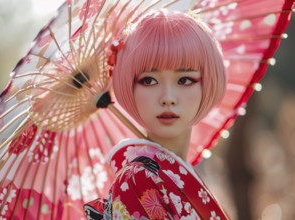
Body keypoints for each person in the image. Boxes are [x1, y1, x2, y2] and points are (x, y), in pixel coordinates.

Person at [84, 9, 229, 219]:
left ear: (207, 83)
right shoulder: (137, 179)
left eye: (185, 80)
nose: (168, 98)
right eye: (149, 80)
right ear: (129, 87)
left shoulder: (178, 173)